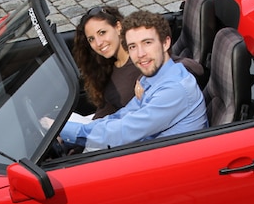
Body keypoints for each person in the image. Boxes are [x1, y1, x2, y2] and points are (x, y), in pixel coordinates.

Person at [60, 11, 208, 150]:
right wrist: (70, 131)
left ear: (165, 43)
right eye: (132, 47)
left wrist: (65, 130)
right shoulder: (149, 79)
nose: (140, 54)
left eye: (147, 43)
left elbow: (123, 131)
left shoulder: (174, 90)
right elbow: (122, 116)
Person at [72, 6, 141, 119]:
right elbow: (105, 110)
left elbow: (174, 63)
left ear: (118, 27)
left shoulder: (142, 58)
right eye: (91, 39)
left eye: (102, 32)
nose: (98, 43)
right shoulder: (108, 68)